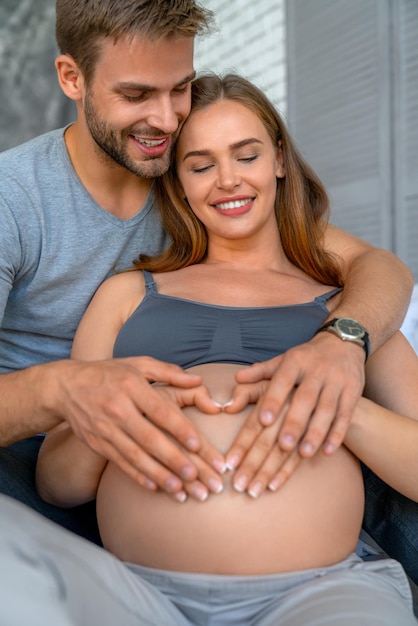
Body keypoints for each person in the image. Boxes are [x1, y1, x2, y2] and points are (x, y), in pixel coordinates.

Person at [0, 1, 414, 547]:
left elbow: (375, 266)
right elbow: (59, 472)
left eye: (180, 88)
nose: (168, 119)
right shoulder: (14, 199)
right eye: (136, 95)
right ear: (71, 78)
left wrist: (344, 341)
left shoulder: (194, 186)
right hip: (37, 443)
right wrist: (64, 390)